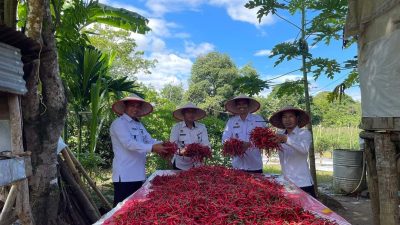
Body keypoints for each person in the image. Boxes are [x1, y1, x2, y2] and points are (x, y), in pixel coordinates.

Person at [110, 94, 168, 206]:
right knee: (121, 209)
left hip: (139, 174)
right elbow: (129, 144)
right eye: (132, 105)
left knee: (134, 208)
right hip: (125, 175)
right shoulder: (119, 123)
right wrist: (153, 148)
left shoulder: (139, 125)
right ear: (125, 107)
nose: (135, 109)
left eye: (138, 106)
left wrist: (165, 145)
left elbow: (149, 140)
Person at [269, 106, 316, 197]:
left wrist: (286, 139)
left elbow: (304, 150)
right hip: (287, 182)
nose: (287, 120)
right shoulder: (280, 135)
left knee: (308, 210)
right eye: (284, 117)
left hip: (303, 182)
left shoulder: (304, 133)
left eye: (291, 116)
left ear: (297, 118)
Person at [222, 95, 267, 173]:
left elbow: (265, 138)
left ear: (248, 105)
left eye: (244, 103)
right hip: (237, 166)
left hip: (255, 165)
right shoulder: (231, 121)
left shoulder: (258, 120)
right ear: (236, 106)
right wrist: (237, 146)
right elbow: (225, 139)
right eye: (239, 104)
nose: (241, 106)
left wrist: (250, 144)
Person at [170, 102, 210, 170]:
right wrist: (181, 152)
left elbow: (206, 145)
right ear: (183, 114)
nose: (191, 114)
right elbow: (172, 147)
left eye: (193, 112)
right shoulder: (176, 128)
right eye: (188, 112)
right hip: (180, 165)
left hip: (197, 164)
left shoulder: (202, 127)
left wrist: (205, 151)